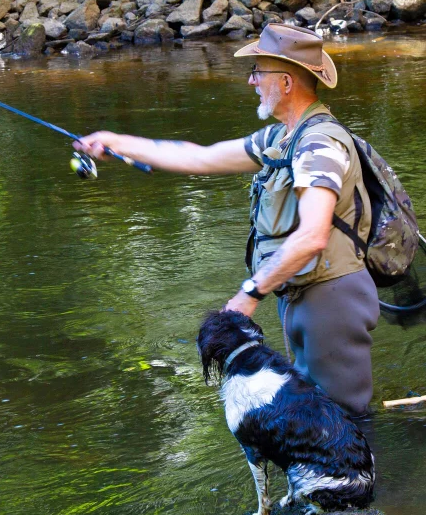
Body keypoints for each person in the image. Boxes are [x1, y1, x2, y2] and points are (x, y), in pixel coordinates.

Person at [73, 23, 379, 417]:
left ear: (285, 82)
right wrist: (114, 141)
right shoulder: (281, 138)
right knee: (318, 420)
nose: (251, 81)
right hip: (304, 295)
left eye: (257, 71)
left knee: (345, 423)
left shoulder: (318, 144)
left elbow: (313, 236)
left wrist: (248, 295)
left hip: (332, 299)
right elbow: (199, 158)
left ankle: (381, 480)